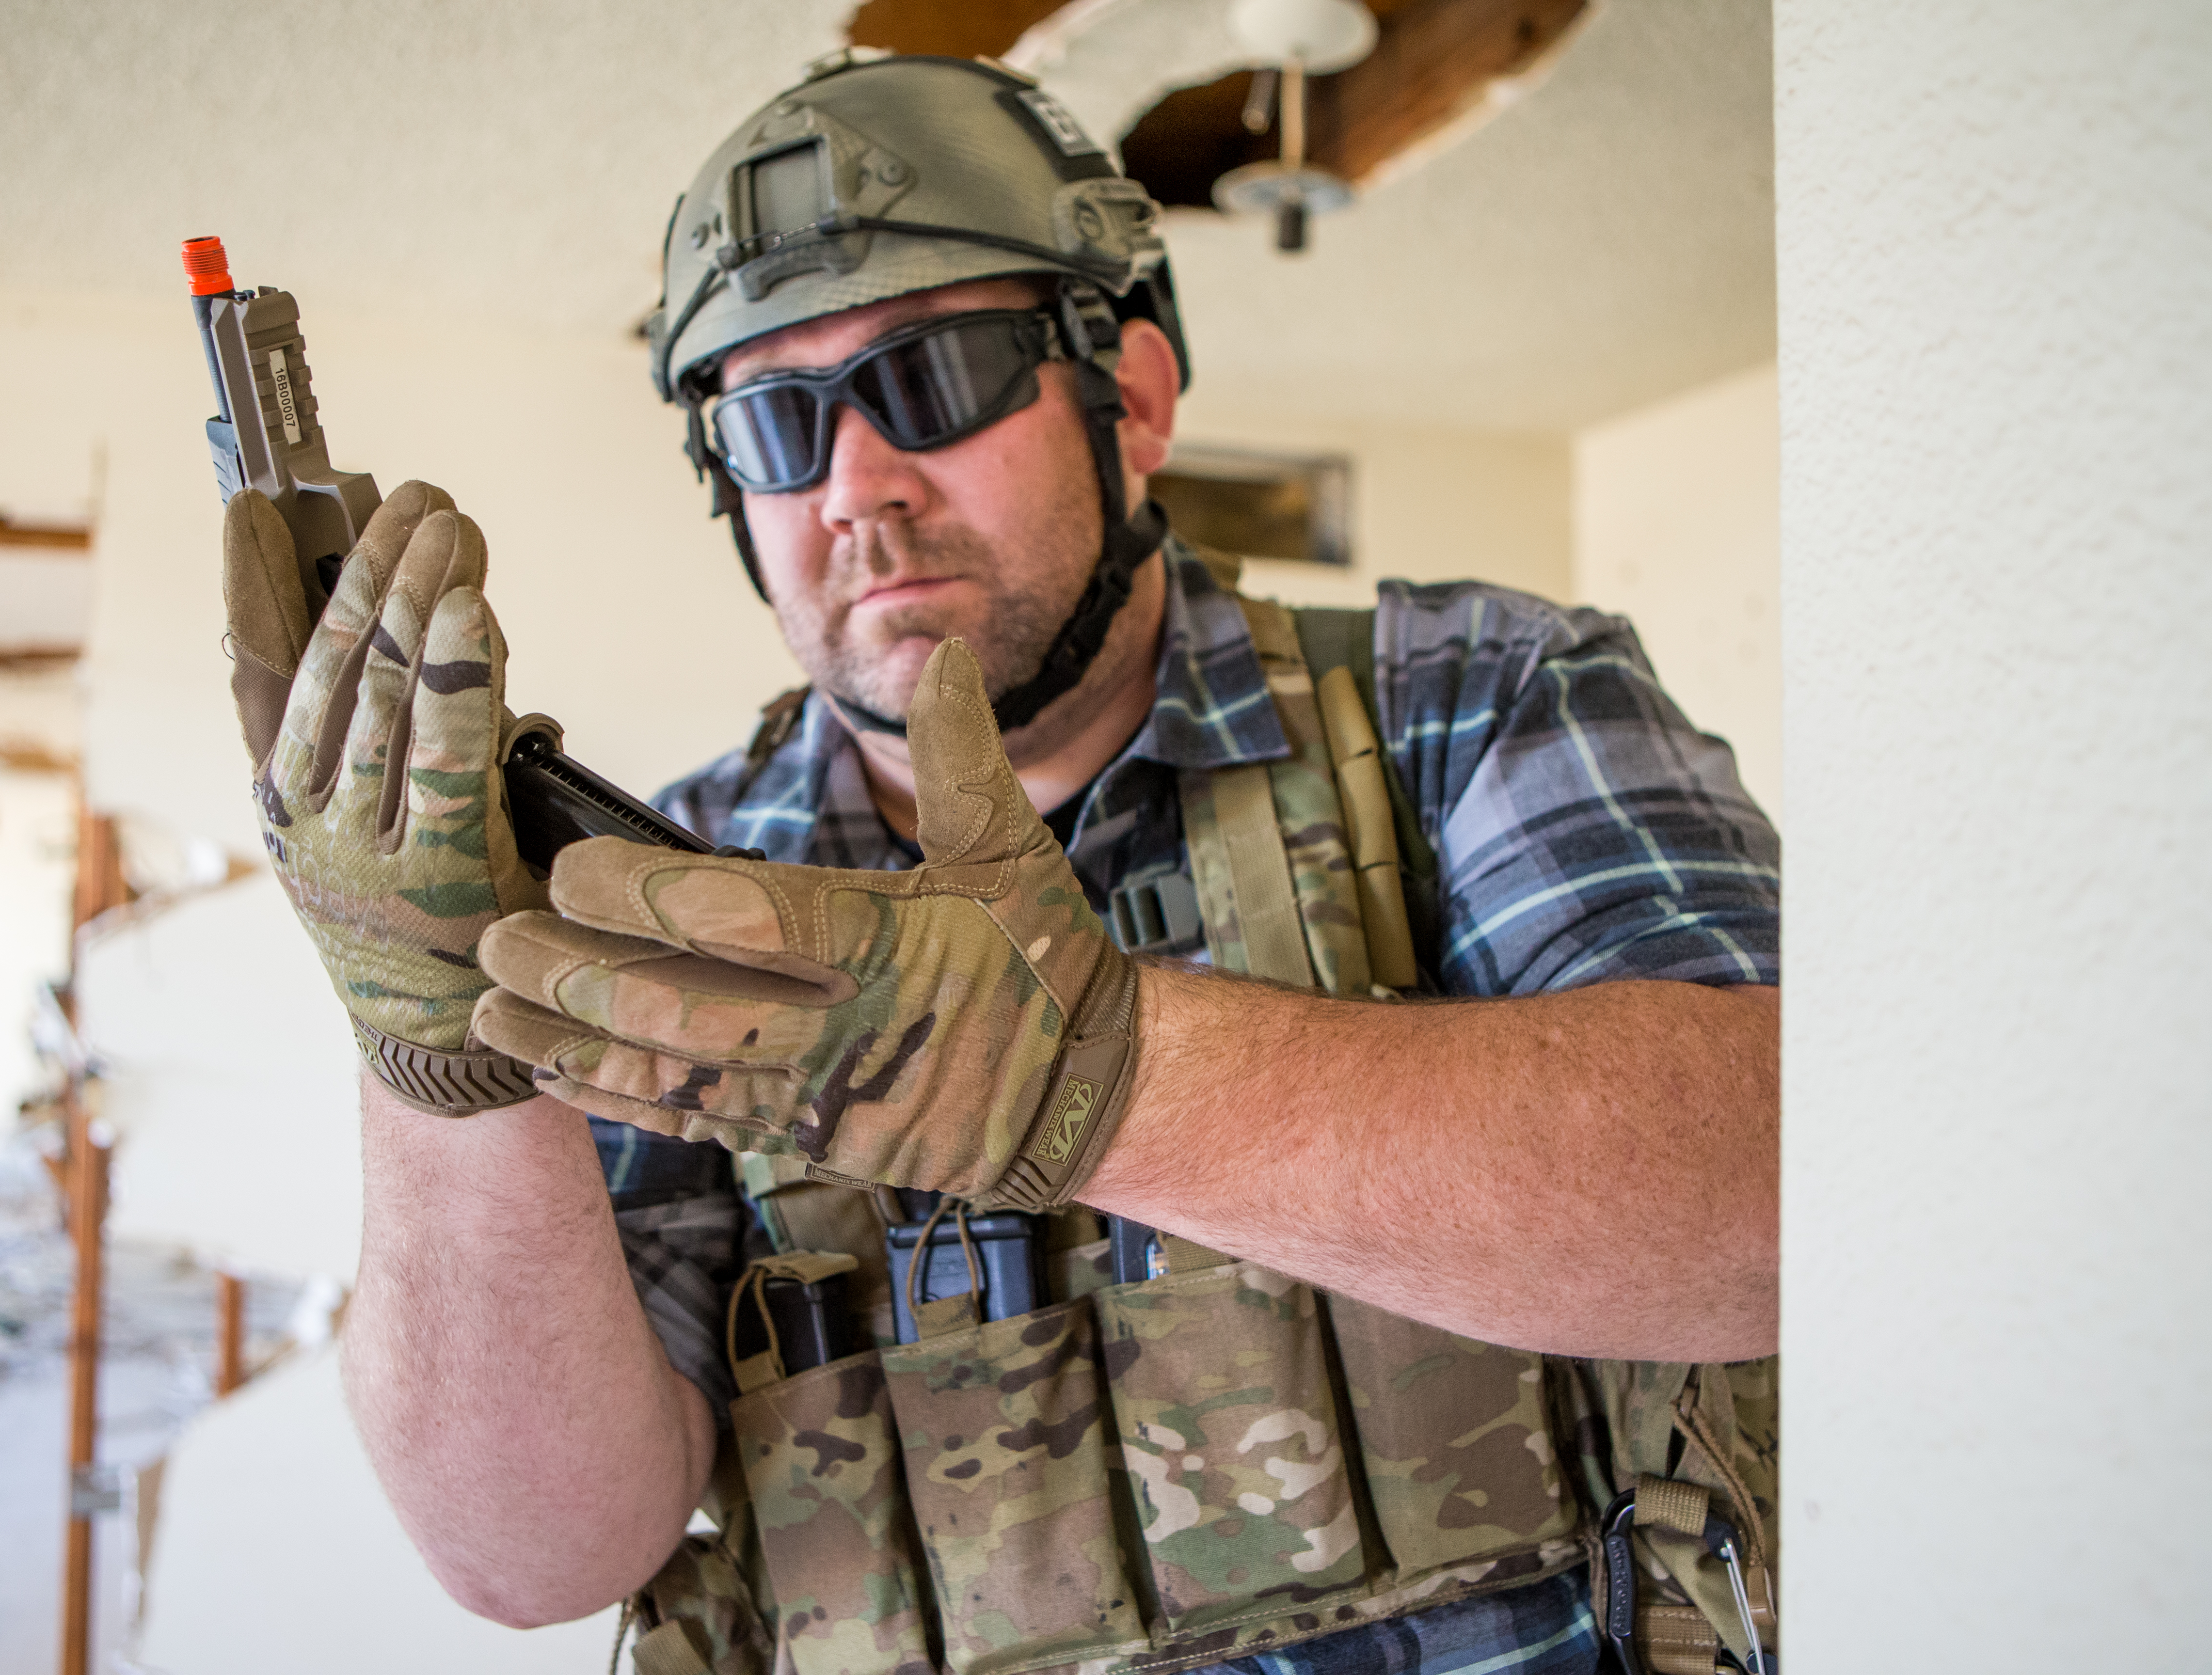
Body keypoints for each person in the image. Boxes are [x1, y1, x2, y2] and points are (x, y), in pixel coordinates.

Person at [222, 52, 1781, 1675]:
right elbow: (533, 1551)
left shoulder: (1467, 699)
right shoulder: (662, 882)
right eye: (772, 421)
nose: (857, 488)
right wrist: (432, 1051)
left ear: (1140, 396)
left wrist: (1097, 1081)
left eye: (941, 376)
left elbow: (1779, 1200)